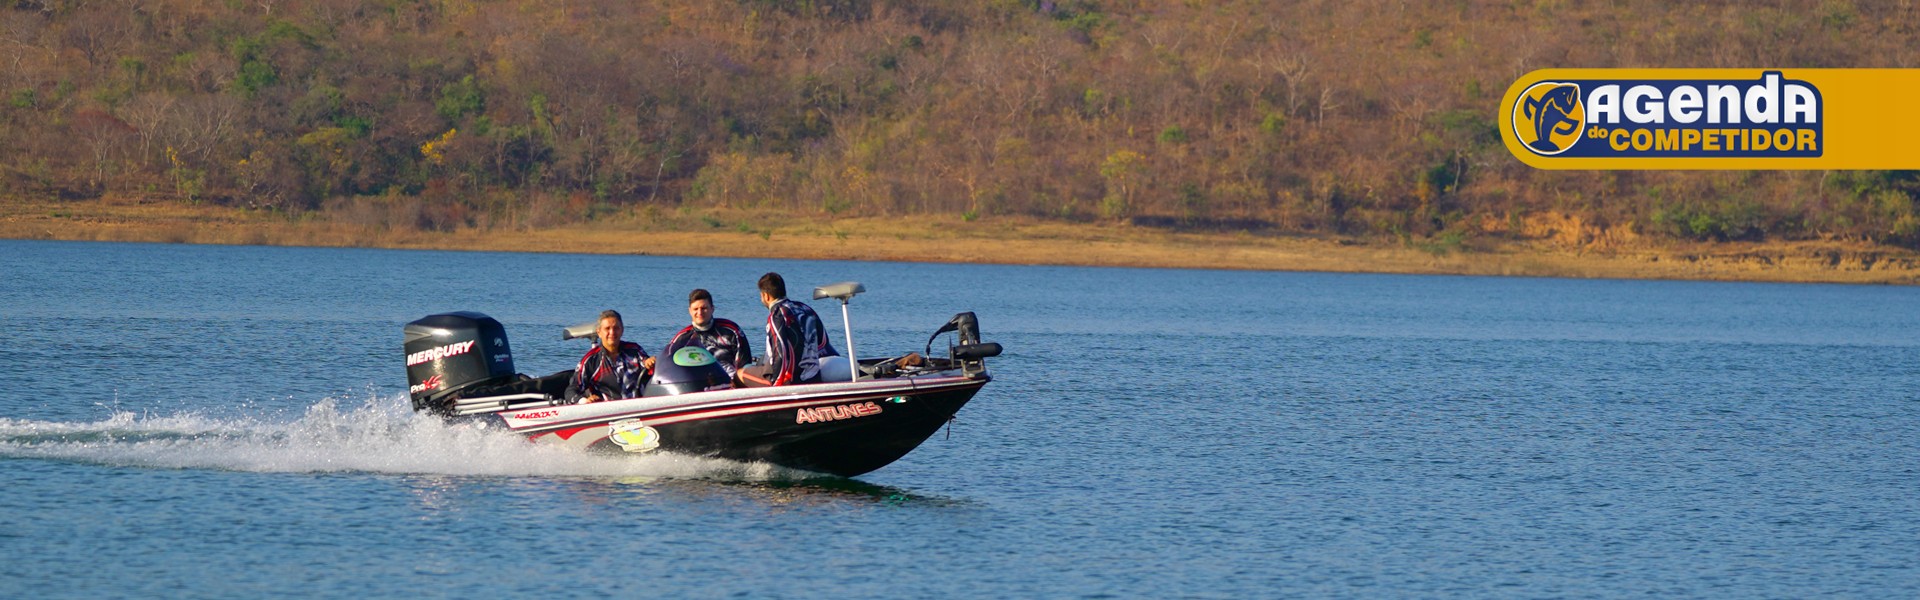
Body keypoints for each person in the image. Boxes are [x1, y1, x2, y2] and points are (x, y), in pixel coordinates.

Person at [742, 272, 838, 386]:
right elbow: (822, 343)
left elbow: (779, 352)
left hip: (788, 380)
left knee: (740, 373)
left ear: (766, 296)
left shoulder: (777, 315)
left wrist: (776, 385)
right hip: (813, 377)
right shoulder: (806, 309)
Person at [663, 288, 753, 381]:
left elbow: (744, 363)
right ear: (690, 311)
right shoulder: (682, 337)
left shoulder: (731, 331)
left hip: (730, 384)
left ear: (712, 309)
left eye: (704, 308)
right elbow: (667, 362)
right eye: (695, 309)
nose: (700, 313)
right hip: (696, 385)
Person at [572, 309, 655, 403]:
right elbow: (572, 390)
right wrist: (585, 401)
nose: (612, 332)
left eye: (616, 328)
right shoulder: (591, 360)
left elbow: (647, 364)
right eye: (607, 328)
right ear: (599, 332)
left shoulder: (634, 350)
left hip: (639, 407)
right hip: (607, 412)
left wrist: (650, 362)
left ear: (622, 330)